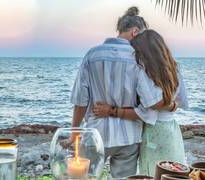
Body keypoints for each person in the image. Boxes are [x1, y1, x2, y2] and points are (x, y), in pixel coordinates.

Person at [69, 7, 171, 178]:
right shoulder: (139, 58)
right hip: (129, 137)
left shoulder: (92, 54)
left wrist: (75, 133)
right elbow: (150, 102)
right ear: (134, 31)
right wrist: (171, 103)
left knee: (85, 177)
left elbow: (80, 99)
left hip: (96, 133)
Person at [93, 29, 189, 176]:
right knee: (174, 173)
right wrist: (171, 105)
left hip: (154, 132)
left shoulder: (145, 71)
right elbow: (179, 101)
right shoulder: (174, 68)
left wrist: (111, 110)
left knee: (154, 173)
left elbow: (151, 106)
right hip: (172, 129)